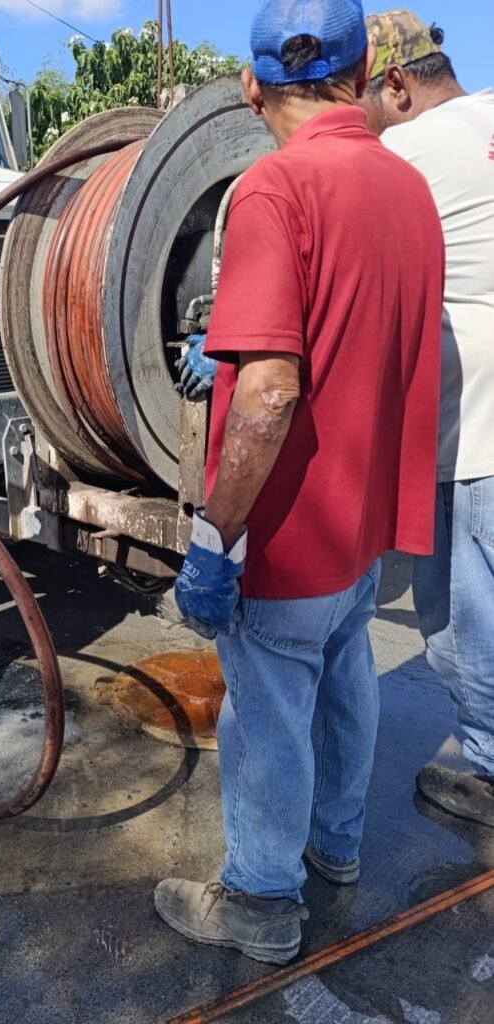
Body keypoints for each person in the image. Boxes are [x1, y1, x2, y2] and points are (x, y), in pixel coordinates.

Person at [157, 0, 445, 965]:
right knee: (347, 674)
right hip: (365, 524)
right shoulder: (406, 187)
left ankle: (259, 901)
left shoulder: (273, 188)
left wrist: (214, 538)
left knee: (269, 713)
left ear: (250, 85)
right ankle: (336, 847)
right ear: (363, 73)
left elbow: (270, 392)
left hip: (289, 529)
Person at [359, 12, 494, 829]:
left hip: (475, 432)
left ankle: (490, 769)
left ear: (397, 84)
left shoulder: (403, 153)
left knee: (456, 620)